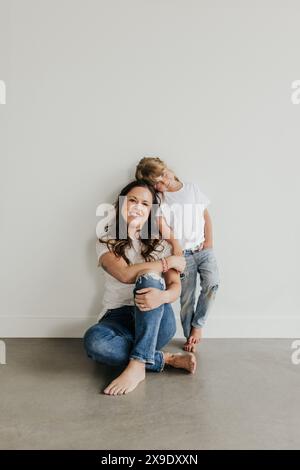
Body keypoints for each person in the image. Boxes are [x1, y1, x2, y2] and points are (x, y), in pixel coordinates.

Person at [84, 180, 197, 396]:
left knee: (149, 278)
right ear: (121, 205)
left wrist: (162, 297)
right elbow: (125, 275)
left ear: (150, 212)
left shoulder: (161, 244)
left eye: (145, 204)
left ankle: (137, 366)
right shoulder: (106, 241)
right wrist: (168, 262)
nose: (138, 207)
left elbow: (176, 288)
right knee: (95, 343)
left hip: (157, 318)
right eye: (133, 200)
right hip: (116, 318)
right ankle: (163, 358)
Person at [135, 157, 220, 352]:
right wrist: (177, 248)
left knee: (212, 283)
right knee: (186, 296)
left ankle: (198, 326)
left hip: (203, 249)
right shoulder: (160, 200)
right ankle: (190, 333)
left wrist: (209, 242)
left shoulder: (191, 189)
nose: (164, 182)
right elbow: (163, 227)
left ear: (169, 169)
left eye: (164, 175)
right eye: (157, 182)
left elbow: (205, 215)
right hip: (181, 255)